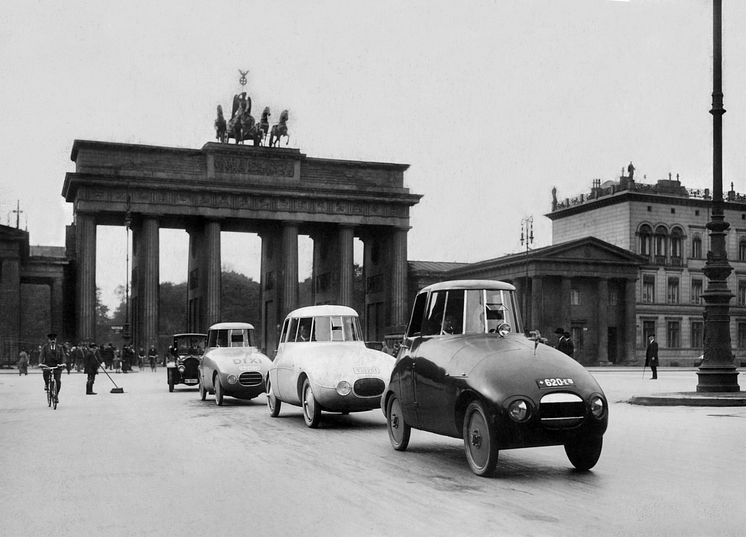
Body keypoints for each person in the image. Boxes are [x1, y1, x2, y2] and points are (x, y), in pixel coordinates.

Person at [39, 333, 66, 402]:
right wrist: (41, 363)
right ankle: (46, 384)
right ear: (49, 340)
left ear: (56, 340)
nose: (52, 341)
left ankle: (56, 395)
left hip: (57, 366)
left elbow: (63, 356)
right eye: (51, 340)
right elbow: (41, 355)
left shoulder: (59, 347)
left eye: (54, 339)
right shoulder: (45, 347)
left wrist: (63, 363)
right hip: (48, 365)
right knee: (45, 373)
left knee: (58, 381)